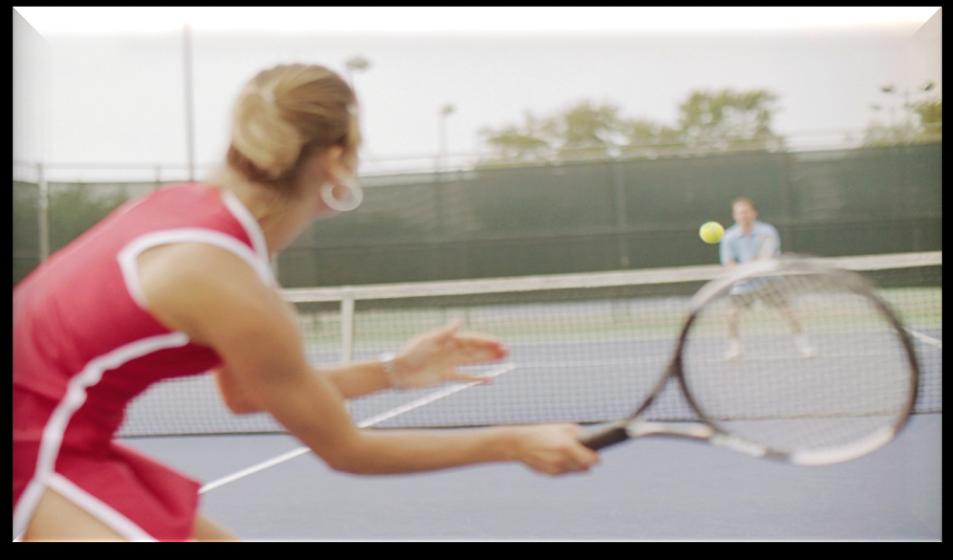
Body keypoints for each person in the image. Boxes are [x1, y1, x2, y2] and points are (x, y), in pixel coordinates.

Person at [13, 63, 599, 542]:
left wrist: (394, 372)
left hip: (57, 439)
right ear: (339, 158)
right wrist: (513, 441)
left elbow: (244, 393)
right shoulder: (228, 280)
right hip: (31, 450)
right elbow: (346, 449)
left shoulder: (186, 211)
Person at [719, 197, 815, 361]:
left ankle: (804, 346)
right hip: (743, 284)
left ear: (754, 213)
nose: (743, 215)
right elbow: (728, 262)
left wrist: (754, 268)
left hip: (769, 281)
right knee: (731, 315)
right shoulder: (729, 236)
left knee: (789, 313)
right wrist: (743, 272)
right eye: (739, 212)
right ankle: (735, 349)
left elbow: (768, 257)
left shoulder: (767, 231)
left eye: (746, 211)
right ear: (735, 215)